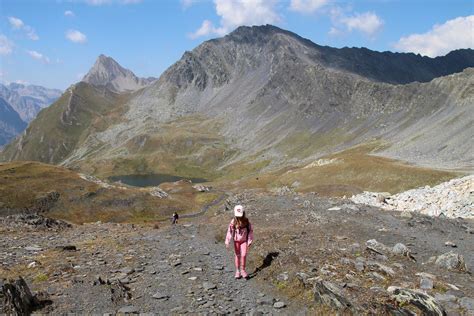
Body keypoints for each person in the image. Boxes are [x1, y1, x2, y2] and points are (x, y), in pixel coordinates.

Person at [225, 205, 253, 279]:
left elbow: (250, 231)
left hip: (244, 241)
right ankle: (237, 271)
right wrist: (227, 241)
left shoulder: (246, 222)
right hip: (236, 241)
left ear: (243, 213)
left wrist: (249, 240)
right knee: (237, 255)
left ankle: (243, 270)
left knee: (243, 255)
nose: (239, 217)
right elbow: (229, 231)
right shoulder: (233, 222)